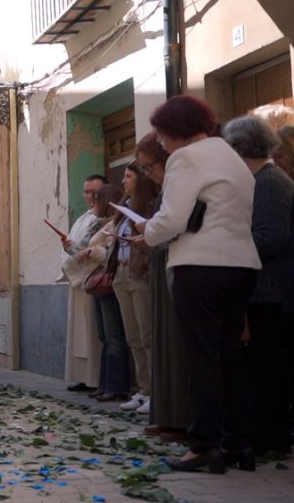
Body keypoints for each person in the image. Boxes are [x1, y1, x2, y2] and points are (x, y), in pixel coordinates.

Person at [138, 96, 260, 473]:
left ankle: (205, 444)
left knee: (202, 357)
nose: (161, 144)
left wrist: (147, 230)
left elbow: (172, 218)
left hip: (200, 266)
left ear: (176, 132)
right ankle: (239, 443)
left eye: (162, 137)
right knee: (230, 357)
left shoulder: (186, 158)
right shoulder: (230, 157)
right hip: (241, 266)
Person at [222, 115, 294, 456]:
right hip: (264, 292)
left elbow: (270, 240)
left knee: (268, 371)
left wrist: (226, 238)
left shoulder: (269, 182)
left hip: (272, 294)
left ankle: (272, 439)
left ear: (241, 149)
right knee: (263, 369)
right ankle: (266, 435)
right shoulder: (260, 181)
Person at [133, 133, 187, 443]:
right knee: (161, 340)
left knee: (172, 343)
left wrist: (150, 230)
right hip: (162, 262)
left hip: (177, 264)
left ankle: (178, 416)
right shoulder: (165, 188)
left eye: (149, 166)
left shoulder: (180, 183)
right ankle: (167, 413)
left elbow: (178, 225)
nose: (147, 172)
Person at [75, 185, 130, 404]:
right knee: (105, 337)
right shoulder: (99, 225)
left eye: (96, 199)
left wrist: (91, 251)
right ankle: (105, 383)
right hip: (97, 284)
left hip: (107, 284)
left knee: (114, 337)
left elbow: (108, 254)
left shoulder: (112, 225)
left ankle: (116, 386)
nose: (92, 203)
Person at [111, 166, 157, 416]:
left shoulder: (150, 206)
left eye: (129, 176)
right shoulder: (123, 207)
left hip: (140, 274)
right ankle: (143, 389)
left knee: (147, 334)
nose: (123, 180)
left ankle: (155, 391)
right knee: (133, 336)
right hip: (121, 273)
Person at [62, 174, 106, 394]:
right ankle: (82, 376)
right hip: (78, 281)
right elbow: (77, 248)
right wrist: (68, 247)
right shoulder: (82, 218)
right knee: (78, 333)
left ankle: (96, 378)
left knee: (93, 333)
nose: (89, 196)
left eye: (93, 192)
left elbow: (93, 250)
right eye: (86, 192)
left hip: (92, 280)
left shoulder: (103, 219)